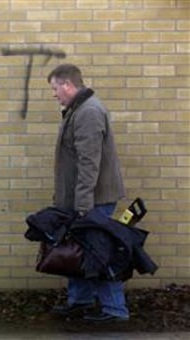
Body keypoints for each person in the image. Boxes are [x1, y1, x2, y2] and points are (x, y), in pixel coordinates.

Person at [47, 64, 128, 322]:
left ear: (68, 85)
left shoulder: (89, 112)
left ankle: (115, 310)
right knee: (78, 250)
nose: (54, 94)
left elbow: (89, 162)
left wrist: (83, 205)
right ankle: (80, 301)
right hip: (82, 199)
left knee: (99, 253)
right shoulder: (78, 109)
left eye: (55, 88)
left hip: (94, 200)